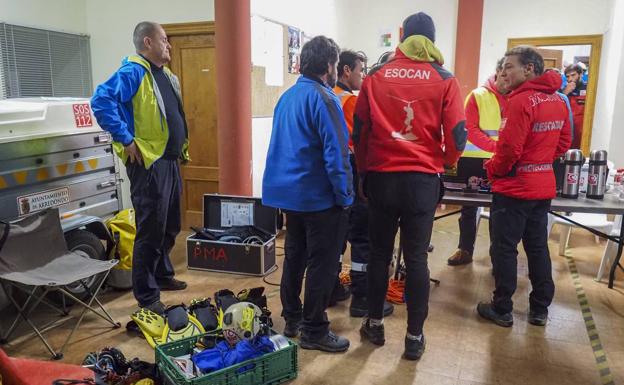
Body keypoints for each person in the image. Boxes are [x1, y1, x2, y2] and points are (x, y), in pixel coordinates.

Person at [354, 12, 466, 360]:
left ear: (403, 37)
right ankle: (414, 338)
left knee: (378, 256)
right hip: (421, 181)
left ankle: (374, 324)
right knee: (416, 259)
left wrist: (363, 173)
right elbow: (459, 134)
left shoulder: (375, 76)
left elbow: (359, 133)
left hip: (383, 179)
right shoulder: (445, 79)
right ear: (432, 39)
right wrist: (445, 160)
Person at [262, 36, 354, 353]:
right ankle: (315, 329)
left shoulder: (286, 97)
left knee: (295, 257)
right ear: (330, 66)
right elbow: (337, 155)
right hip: (317, 198)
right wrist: (346, 197)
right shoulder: (326, 100)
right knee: (323, 263)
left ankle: (292, 318)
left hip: (288, 196)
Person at [91, 22, 189, 315]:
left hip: (169, 161)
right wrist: (125, 138)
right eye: (164, 39)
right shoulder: (133, 71)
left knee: (170, 225)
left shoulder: (167, 76)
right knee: (150, 229)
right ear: (148, 42)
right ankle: (147, 296)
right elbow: (101, 100)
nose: (169, 45)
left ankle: (161, 273)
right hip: (148, 164)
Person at [477, 46, 571, 328]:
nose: (503, 72)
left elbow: (508, 150)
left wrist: (492, 171)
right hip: (542, 187)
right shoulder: (558, 100)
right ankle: (540, 308)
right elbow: (564, 143)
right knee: (537, 246)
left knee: (504, 249)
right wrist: (540, 160)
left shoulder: (520, 102)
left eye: (509, 66)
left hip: (514, 189)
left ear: (529, 69)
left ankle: (502, 307)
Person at [331, 50, 394, 317]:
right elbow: (363, 140)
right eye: (360, 71)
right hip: (354, 175)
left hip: (332, 179)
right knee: (362, 238)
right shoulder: (350, 101)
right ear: (346, 70)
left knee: (336, 238)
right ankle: (362, 298)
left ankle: (331, 289)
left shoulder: (329, 94)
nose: (363, 76)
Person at [447, 58, 508, 266]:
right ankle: (464, 249)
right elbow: (470, 129)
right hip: (474, 162)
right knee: (468, 209)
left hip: (505, 164)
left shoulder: (519, 96)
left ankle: (497, 257)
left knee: (500, 211)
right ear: (498, 71)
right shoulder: (478, 95)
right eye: (505, 73)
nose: (508, 79)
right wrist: (497, 148)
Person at [561, 63, 587, 149]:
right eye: (567, 76)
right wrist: (565, 92)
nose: (570, 79)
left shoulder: (589, 88)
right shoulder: (562, 90)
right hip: (568, 129)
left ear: (580, 74)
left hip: (583, 130)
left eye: (573, 75)